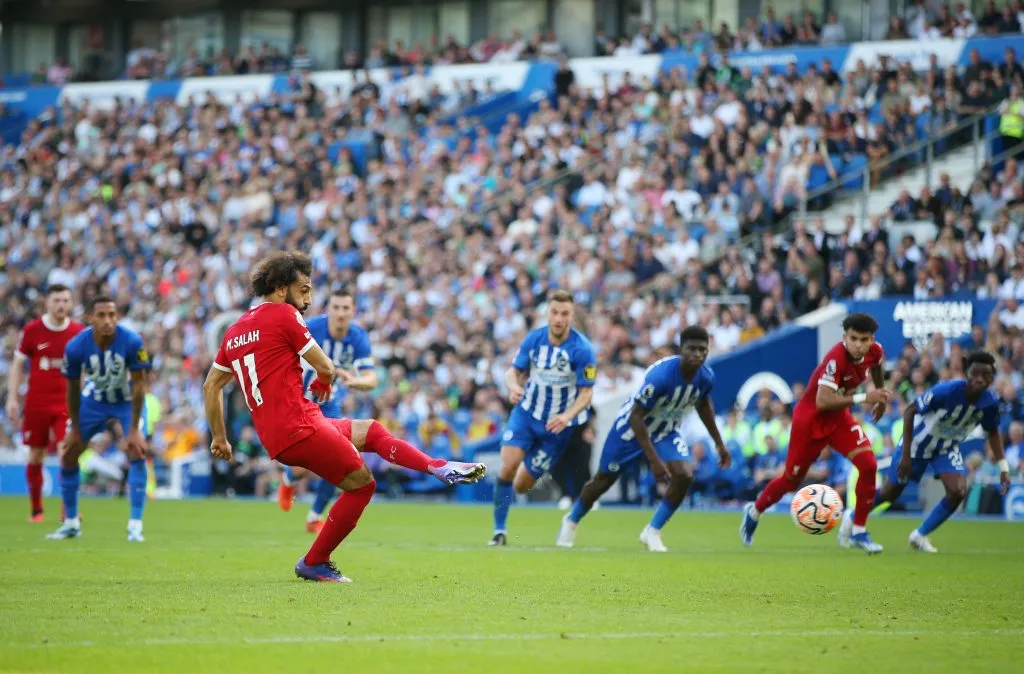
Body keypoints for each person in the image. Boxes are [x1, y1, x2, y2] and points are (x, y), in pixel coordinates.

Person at [202, 252, 484, 582]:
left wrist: (219, 437)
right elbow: (325, 366)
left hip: (287, 428)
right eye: (303, 290)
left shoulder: (234, 331)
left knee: (372, 431)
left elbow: (211, 386)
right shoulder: (284, 315)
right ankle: (315, 560)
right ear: (280, 289)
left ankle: (438, 466)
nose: (308, 300)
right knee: (362, 486)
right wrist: (323, 380)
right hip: (299, 427)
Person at [556, 326, 731, 552]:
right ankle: (572, 518)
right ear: (681, 349)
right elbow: (636, 416)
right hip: (630, 430)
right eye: (692, 349)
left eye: (703, 349)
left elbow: (704, 404)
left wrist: (718, 443)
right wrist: (654, 461)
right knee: (603, 481)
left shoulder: (706, 377)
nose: (698, 354)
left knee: (684, 475)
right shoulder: (661, 376)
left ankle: (653, 530)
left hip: (666, 430)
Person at [740, 313, 892, 554]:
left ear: (871, 340)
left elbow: (877, 364)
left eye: (864, 339)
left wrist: (881, 395)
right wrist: (866, 397)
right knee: (791, 479)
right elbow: (822, 401)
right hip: (809, 421)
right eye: (853, 338)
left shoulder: (875, 351)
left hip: (839, 419)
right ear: (845, 338)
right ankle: (755, 510)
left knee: (868, 465)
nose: (858, 344)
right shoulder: (836, 358)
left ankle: (858, 531)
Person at [862, 351, 1010, 552]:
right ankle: (854, 515)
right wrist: (906, 454)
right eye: (976, 373)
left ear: (992, 378)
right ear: (968, 373)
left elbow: (992, 432)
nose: (980, 379)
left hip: (946, 447)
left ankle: (919, 535)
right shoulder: (948, 391)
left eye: (986, 375)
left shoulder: (989, 404)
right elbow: (910, 410)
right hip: (917, 443)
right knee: (890, 493)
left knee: (958, 491)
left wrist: (1003, 467)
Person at [490, 290, 597, 546]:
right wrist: (514, 387)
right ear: (547, 313)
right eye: (555, 312)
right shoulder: (534, 340)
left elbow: (586, 394)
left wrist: (567, 416)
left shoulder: (582, 350)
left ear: (572, 315)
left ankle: (532, 464)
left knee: (521, 486)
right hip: (526, 415)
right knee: (505, 469)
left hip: (556, 428)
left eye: (565, 314)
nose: (559, 319)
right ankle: (499, 531)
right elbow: (512, 373)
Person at [47, 297, 151, 542]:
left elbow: (139, 386)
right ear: (91, 318)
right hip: (93, 401)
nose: (107, 321)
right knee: (69, 452)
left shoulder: (132, 341)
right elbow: (72, 388)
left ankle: (135, 525)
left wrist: (134, 429)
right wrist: (72, 426)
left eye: (112, 315)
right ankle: (71, 523)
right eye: (101, 315)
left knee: (137, 450)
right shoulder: (76, 347)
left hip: (125, 401)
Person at [276, 288, 378, 533]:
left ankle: (314, 517)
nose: (341, 313)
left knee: (340, 458)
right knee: (303, 466)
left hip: (329, 404)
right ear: (328, 309)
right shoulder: (310, 328)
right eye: (336, 307)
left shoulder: (358, 337)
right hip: (299, 401)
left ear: (353, 311)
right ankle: (289, 480)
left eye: (346, 308)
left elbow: (371, 379)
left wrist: (354, 382)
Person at [5, 284, 84, 523]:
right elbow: (18, 364)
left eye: (65, 301)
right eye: (57, 300)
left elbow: (83, 369)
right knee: (36, 455)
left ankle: (67, 510)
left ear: (70, 304)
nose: (61, 305)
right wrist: (11, 398)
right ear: (47, 303)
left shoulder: (78, 332)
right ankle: (36, 510)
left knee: (67, 454)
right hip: (37, 403)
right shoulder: (32, 330)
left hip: (65, 404)